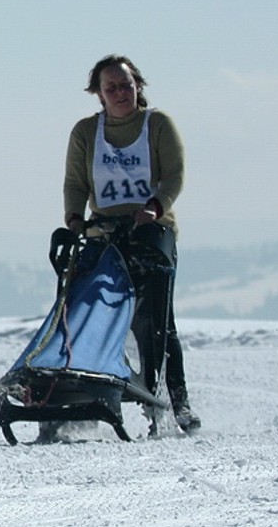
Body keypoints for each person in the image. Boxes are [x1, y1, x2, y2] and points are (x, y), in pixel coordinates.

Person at [62, 54, 201, 433]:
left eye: (126, 85)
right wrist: (74, 217)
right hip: (103, 230)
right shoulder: (86, 133)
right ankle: (80, 393)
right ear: (99, 95)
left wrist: (155, 208)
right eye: (112, 88)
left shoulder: (157, 125)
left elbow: (174, 175)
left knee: (154, 319)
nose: (121, 93)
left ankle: (177, 399)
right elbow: (76, 183)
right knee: (81, 307)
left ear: (138, 86)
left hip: (151, 230)